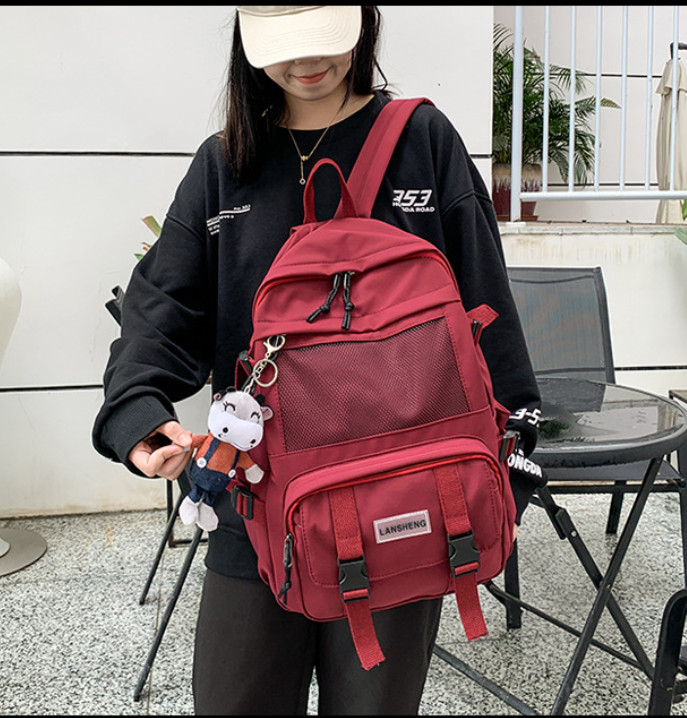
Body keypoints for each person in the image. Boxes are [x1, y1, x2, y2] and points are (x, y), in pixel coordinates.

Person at [92, 5, 543, 715]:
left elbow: (486, 308)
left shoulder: (423, 142)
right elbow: (162, 309)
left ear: (362, 19)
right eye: (283, 46)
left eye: (322, 39)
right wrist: (138, 414)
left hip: (402, 494)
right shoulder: (225, 164)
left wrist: (511, 459)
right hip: (255, 497)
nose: (305, 63)